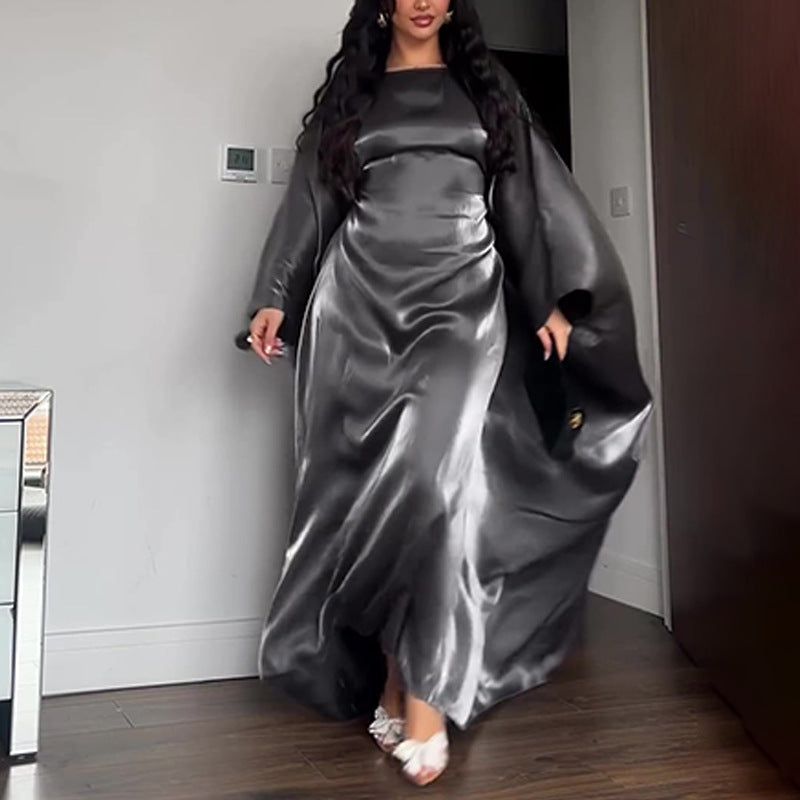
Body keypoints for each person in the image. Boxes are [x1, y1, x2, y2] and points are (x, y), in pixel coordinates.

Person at [242, 0, 652, 787]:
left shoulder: (486, 85)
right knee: (380, 502)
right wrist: (274, 295)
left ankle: (427, 699)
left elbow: (528, 199)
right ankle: (398, 677)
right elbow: (310, 201)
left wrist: (553, 298)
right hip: (357, 309)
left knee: (438, 487)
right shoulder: (352, 93)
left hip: (463, 303)